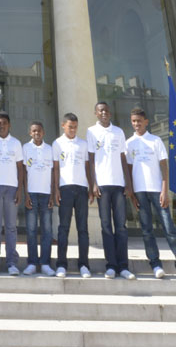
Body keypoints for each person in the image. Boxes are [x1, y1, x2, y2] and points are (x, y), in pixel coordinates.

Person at [125, 107, 176, 286]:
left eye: (139, 121)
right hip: (140, 192)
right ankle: (155, 265)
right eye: (133, 121)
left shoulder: (155, 140)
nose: (136, 124)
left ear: (146, 121)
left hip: (157, 191)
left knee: (169, 229)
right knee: (147, 231)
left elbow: (164, 167)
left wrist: (165, 190)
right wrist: (132, 193)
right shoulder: (129, 143)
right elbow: (128, 170)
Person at [88, 100, 134, 279]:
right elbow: (91, 160)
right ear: (96, 114)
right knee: (106, 226)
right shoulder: (92, 132)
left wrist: (128, 183)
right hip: (102, 185)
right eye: (100, 111)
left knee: (121, 226)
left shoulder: (119, 132)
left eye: (106, 110)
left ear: (110, 113)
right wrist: (93, 183)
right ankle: (111, 265)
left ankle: (123, 266)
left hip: (119, 184)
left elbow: (124, 158)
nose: (104, 113)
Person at [51, 112, 92, 279]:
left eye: (75, 127)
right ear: (63, 126)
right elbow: (56, 169)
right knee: (63, 228)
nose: (73, 130)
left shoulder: (83, 144)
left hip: (81, 189)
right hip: (65, 189)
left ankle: (84, 264)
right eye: (70, 127)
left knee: (83, 229)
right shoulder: (57, 144)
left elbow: (87, 167)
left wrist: (90, 187)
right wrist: (56, 190)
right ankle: (61, 264)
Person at [0, 111, 24, 275]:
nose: (1, 126)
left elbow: (20, 168)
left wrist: (20, 190)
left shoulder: (16, 143)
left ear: (9, 125)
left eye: (4, 123)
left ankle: (11, 263)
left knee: (11, 227)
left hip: (12, 188)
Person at [22, 120, 56, 276]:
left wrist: (52, 194)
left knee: (47, 230)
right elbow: (24, 173)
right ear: (30, 133)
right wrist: (26, 194)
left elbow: (53, 173)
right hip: (32, 194)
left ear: (43, 132)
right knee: (31, 230)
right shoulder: (25, 148)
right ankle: (32, 262)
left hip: (46, 194)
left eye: (39, 131)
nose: (37, 133)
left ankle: (45, 263)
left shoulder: (50, 149)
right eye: (34, 131)